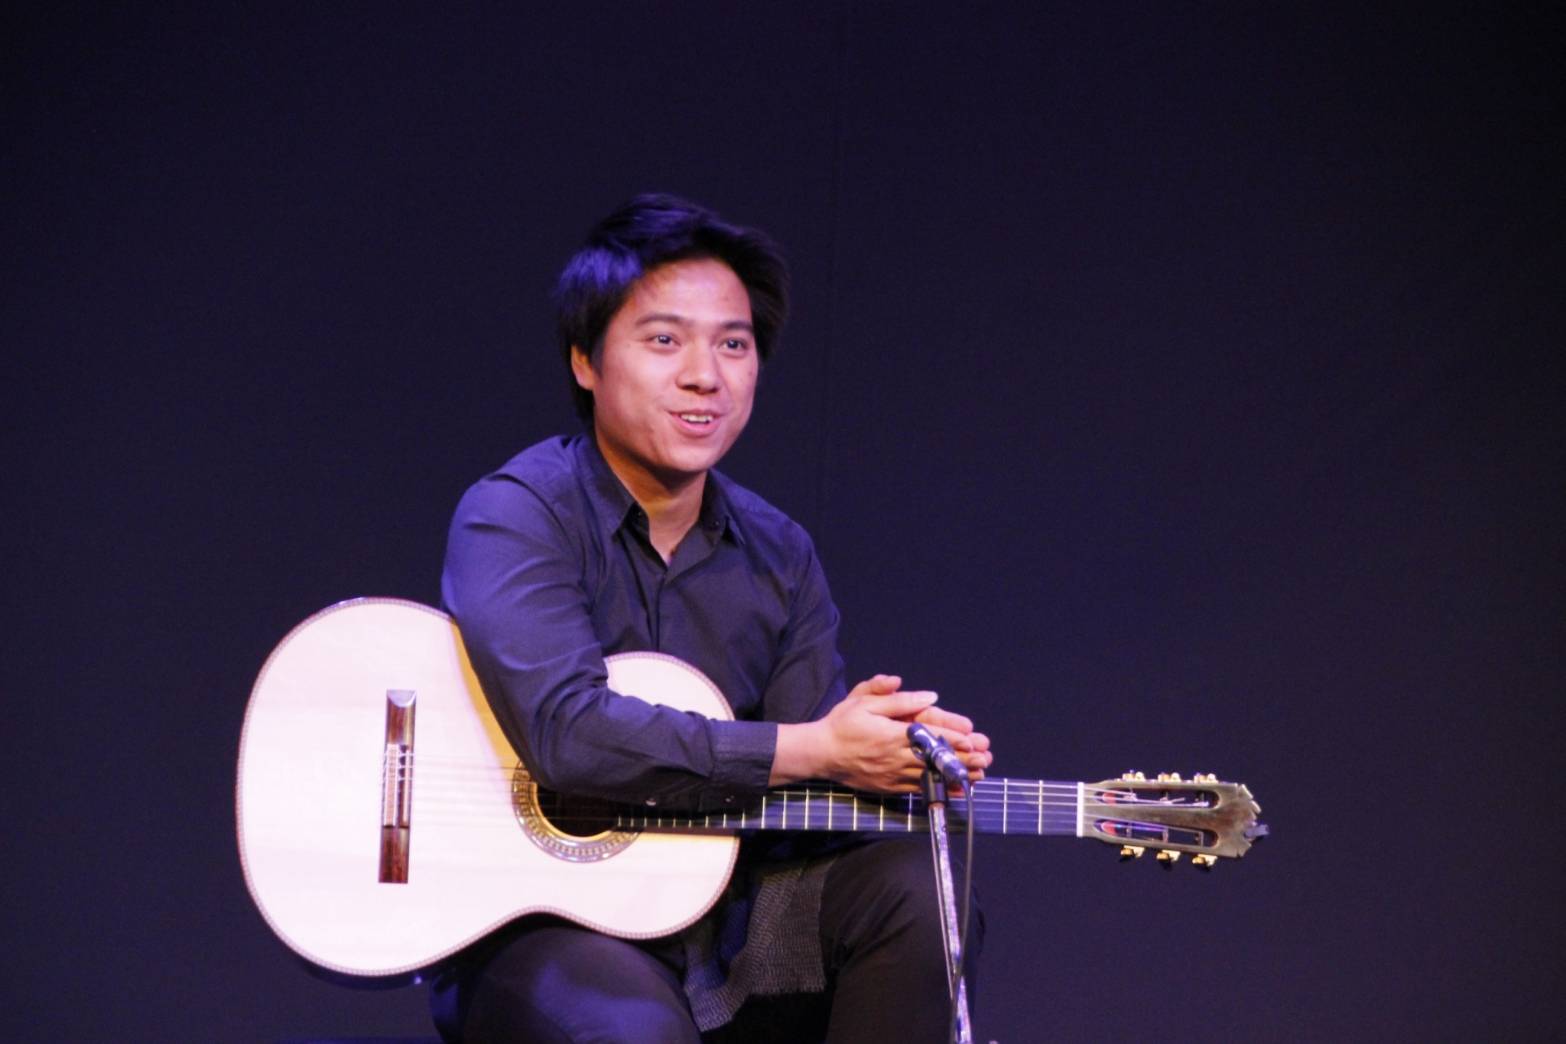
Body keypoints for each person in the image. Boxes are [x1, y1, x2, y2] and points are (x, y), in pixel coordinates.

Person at [431, 193, 992, 1043]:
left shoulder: (779, 551)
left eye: (733, 343)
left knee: (919, 896)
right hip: (541, 923)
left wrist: (889, 763)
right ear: (585, 361)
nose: (706, 375)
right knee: (634, 1033)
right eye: (665, 341)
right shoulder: (517, 514)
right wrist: (810, 748)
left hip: (725, 926)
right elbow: (568, 736)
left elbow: (807, 789)